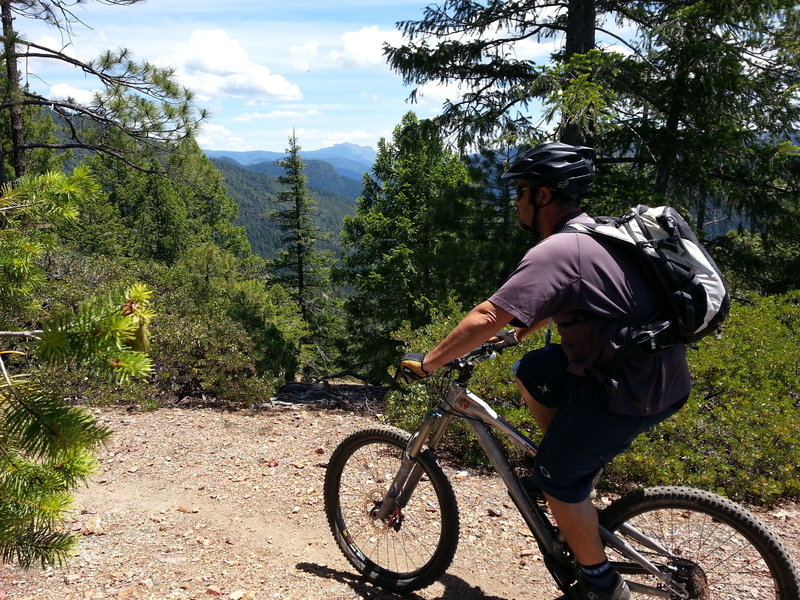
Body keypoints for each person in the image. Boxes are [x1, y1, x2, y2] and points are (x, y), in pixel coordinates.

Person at [396, 142, 691, 600]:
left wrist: (429, 362)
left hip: (625, 388)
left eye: (521, 193)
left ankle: (599, 581)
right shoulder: (600, 233)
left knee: (557, 477)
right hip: (656, 373)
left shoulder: (558, 249)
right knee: (535, 368)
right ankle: (565, 471)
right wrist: (518, 335)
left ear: (545, 196)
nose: (515, 201)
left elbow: (487, 315)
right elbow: (570, 299)